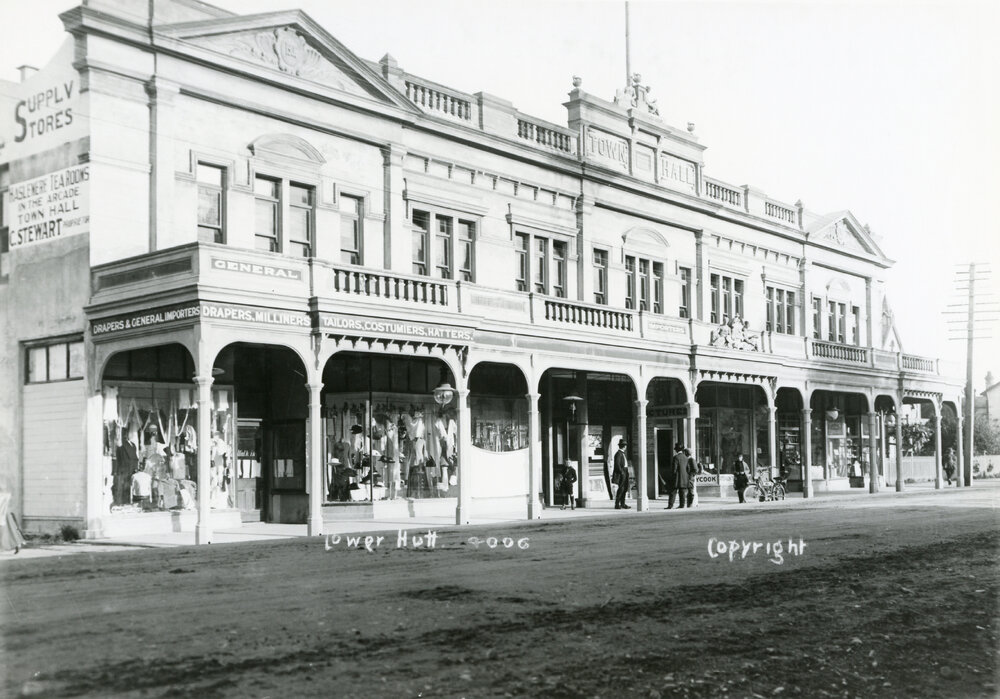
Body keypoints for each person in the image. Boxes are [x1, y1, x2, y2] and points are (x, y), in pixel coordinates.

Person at [612, 439, 631, 509]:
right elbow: (617, 465)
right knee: (621, 488)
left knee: (625, 488)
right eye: (625, 445)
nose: (625, 447)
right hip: (622, 472)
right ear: (624, 446)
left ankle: (623, 503)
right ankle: (617, 504)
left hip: (625, 471)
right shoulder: (618, 454)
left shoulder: (622, 453)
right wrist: (622, 472)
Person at [669, 443, 689, 509]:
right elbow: (688, 468)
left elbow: (674, 469)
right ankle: (682, 505)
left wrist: (672, 475)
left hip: (676, 478)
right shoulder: (686, 458)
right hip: (684, 478)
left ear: (677, 450)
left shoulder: (676, 457)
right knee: (682, 492)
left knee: (673, 491)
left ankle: (671, 505)